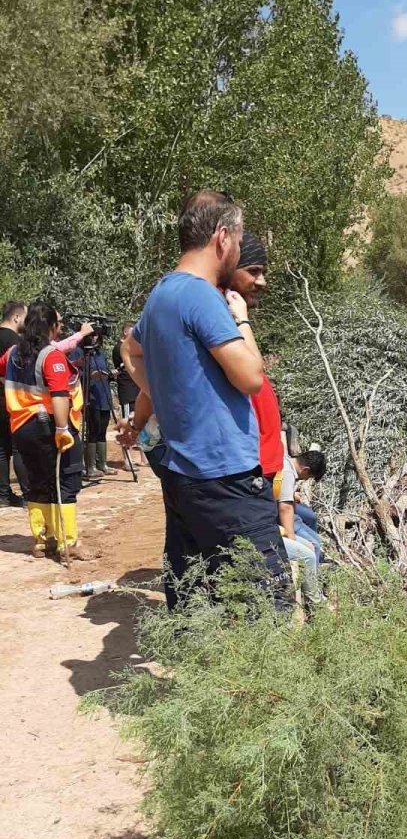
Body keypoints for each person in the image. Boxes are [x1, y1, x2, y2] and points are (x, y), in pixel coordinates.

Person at [118, 190, 293, 612]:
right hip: (226, 479)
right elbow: (251, 377)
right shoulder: (202, 296)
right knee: (267, 607)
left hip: (185, 477)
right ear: (222, 237)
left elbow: (130, 349)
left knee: (198, 606)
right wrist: (242, 319)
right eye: (238, 237)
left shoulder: (162, 293)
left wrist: (164, 390)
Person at [0, 302, 95, 558]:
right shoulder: (51, 356)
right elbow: (59, 395)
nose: (60, 328)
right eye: (59, 324)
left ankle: (42, 540)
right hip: (49, 426)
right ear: (51, 327)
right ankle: (68, 543)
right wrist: (63, 428)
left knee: (37, 482)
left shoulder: (12, 354)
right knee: (66, 481)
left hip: (21, 427)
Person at [229, 231, 283, 482]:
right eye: (253, 271)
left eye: (263, 272)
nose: (262, 282)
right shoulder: (219, 314)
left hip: (260, 467)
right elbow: (252, 376)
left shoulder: (233, 316)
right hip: (247, 471)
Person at [277, 445, 325, 613]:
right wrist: (291, 537)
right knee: (312, 547)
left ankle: (314, 587)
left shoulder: (284, 462)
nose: (305, 480)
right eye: (308, 476)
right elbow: (285, 509)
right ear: (305, 469)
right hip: (278, 521)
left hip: (282, 516)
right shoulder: (288, 473)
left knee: (316, 542)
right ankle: (314, 601)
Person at [0, 300, 26, 507]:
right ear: (16, 317)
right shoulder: (14, 340)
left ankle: (3, 494)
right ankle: (29, 493)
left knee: (1, 449)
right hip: (11, 400)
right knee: (18, 448)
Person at [81, 343, 114, 477]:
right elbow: (76, 372)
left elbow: (105, 369)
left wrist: (111, 374)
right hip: (91, 397)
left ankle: (102, 463)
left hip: (104, 396)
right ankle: (90, 466)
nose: (95, 337)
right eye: (92, 334)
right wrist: (90, 376)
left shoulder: (99, 352)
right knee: (93, 430)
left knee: (103, 429)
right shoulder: (80, 351)